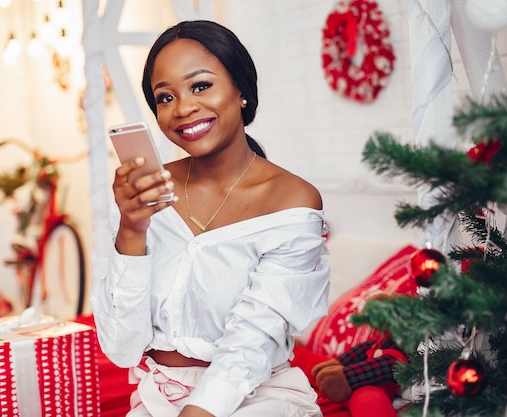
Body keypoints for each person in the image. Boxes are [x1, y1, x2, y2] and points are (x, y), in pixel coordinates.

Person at [90, 20, 331, 417]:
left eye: (201, 86)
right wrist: (132, 230)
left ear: (241, 91)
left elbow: (252, 342)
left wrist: (198, 411)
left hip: (258, 398)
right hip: (158, 397)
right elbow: (122, 347)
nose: (183, 108)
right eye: (165, 97)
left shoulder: (291, 201)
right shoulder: (145, 197)